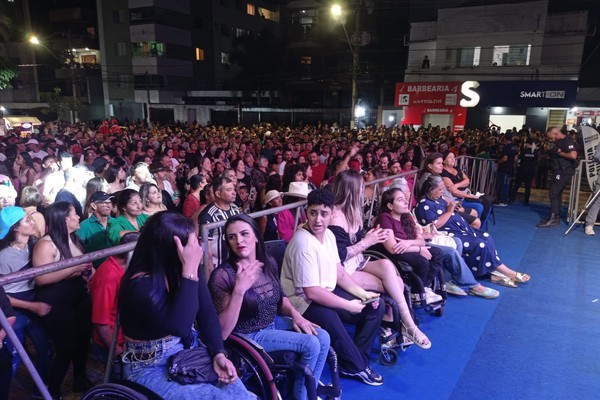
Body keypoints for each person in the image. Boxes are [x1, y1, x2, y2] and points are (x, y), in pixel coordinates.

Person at [118, 211, 253, 399]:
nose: (197, 247)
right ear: (172, 248)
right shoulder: (140, 285)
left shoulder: (180, 268)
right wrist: (190, 270)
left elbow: (205, 311)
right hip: (150, 366)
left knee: (242, 394)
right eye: (191, 242)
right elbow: (180, 326)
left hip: (187, 353)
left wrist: (218, 353)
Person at [210, 214, 330, 400]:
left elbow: (281, 299)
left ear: (256, 236)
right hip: (246, 334)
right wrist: (239, 291)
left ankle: (308, 391)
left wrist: (295, 315)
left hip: (271, 324)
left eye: (244, 234)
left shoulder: (268, 263)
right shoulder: (223, 275)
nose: (239, 241)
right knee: (311, 343)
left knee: (322, 336)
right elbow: (222, 333)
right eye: (232, 237)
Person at [281, 189, 385, 387]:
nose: (318, 219)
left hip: (325, 292)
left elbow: (340, 273)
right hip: (302, 302)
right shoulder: (303, 242)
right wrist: (348, 305)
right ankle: (357, 364)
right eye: (313, 213)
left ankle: (352, 361)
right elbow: (312, 292)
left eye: (323, 213)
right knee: (332, 318)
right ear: (306, 212)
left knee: (375, 306)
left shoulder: (328, 235)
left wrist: (363, 295)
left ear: (331, 214)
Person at [329, 170, 432, 348]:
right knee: (397, 285)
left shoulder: (353, 211)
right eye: (361, 188)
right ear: (352, 190)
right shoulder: (335, 217)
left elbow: (359, 243)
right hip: (341, 269)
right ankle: (405, 324)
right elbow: (339, 255)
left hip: (357, 261)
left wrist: (371, 237)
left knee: (386, 265)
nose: (364, 191)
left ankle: (398, 323)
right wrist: (368, 241)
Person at [379, 186, 499, 299]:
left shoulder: (406, 216)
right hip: (401, 252)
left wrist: (410, 243)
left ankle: (429, 286)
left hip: (413, 246)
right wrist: (418, 248)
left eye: (405, 198)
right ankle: (473, 285)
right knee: (448, 252)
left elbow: (420, 240)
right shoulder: (385, 218)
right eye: (401, 199)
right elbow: (393, 248)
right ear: (390, 205)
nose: (406, 201)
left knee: (447, 249)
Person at [416, 175, 531, 288]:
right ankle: (507, 272)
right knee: (479, 244)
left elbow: (448, 208)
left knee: (486, 237)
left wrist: (452, 205)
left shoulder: (438, 198)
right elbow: (434, 225)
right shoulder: (424, 204)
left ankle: (493, 273)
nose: (442, 192)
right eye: (440, 189)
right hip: (449, 234)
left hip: (461, 229)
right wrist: (449, 212)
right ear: (431, 190)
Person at [32, 202, 94, 397]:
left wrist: (91, 272)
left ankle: (80, 379)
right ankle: (52, 390)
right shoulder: (46, 244)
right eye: (75, 214)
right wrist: (73, 269)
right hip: (57, 299)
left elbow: (85, 265)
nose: (78, 217)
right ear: (64, 218)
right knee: (66, 347)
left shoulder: (74, 239)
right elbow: (41, 279)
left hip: (78, 295)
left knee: (83, 341)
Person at [0, 207, 53, 392]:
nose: (32, 221)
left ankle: (38, 392)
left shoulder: (34, 245)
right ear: (15, 228)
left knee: (46, 350)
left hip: (30, 303)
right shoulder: (3, 256)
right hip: (12, 309)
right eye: (26, 220)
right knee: (12, 359)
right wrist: (31, 306)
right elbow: (2, 297)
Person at [90, 233, 138, 361]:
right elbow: (101, 322)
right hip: (113, 345)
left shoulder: (125, 268)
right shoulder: (109, 276)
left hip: (126, 341)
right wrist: (117, 351)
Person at [537, 127, 578, 228]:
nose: (550, 140)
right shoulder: (559, 142)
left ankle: (553, 218)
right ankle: (555, 217)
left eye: (551, 138)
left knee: (553, 193)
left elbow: (573, 155)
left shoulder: (567, 140)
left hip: (563, 171)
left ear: (555, 133)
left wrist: (560, 153)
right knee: (557, 194)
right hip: (558, 169)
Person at [198, 176, 241, 272]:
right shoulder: (208, 215)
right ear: (218, 193)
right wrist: (210, 272)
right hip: (218, 267)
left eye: (234, 189)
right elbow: (205, 247)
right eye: (229, 190)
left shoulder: (235, 209)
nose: (234, 192)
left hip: (235, 264)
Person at [441, 151, 493, 222]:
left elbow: (467, 181)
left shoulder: (457, 168)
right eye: (450, 157)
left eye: (453, 157)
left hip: (465, 194)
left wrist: (456, 185)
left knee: (486, 203)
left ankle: (480, 228)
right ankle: (473, 226)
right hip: (456, 198)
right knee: (479, 207)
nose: (453, 159)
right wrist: (470, 196)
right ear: (444, 161)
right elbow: (454, 192)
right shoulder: (443, 172)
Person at [76, 191, 115, 268]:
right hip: (96, 270)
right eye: (104, 203)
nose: (108, 206)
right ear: (94, 205)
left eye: (109, 202)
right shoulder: (84, 226)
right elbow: (77, 252)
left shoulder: (116, 222)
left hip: (117, 268)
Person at [510, 138, 539, 206]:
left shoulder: (524, 151)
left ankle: (511, 199)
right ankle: (526, 201)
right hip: (530, 171)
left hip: (522, 170)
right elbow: (536, 162)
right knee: (527, 187)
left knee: (516, 185)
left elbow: (519, 158)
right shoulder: (535, 152)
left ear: (527, 144)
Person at [495, 133, 517, 206]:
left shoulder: (506, 147)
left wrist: (498, 162)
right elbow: (515, 158)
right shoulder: (514, 147)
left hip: (504, 169)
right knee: (507, 185)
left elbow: (505, 158)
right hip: (510, 169)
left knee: (503, 185)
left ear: (505, 138)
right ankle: (505, 200)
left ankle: (503, 201)